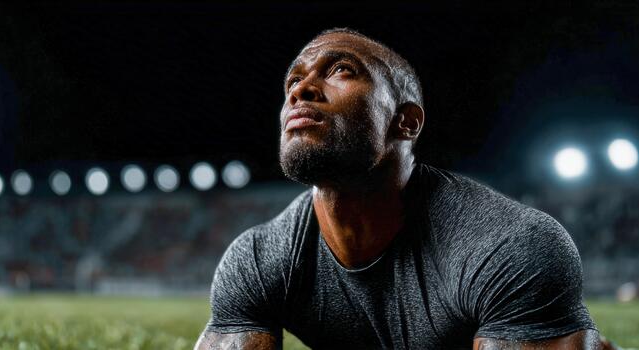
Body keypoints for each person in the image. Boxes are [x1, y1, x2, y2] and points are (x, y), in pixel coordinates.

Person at [195, 28, 603, 349]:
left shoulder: (509, 246)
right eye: (294, 81)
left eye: (341, 70)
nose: (300, 89)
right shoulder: (256, 260)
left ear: (406, 121)